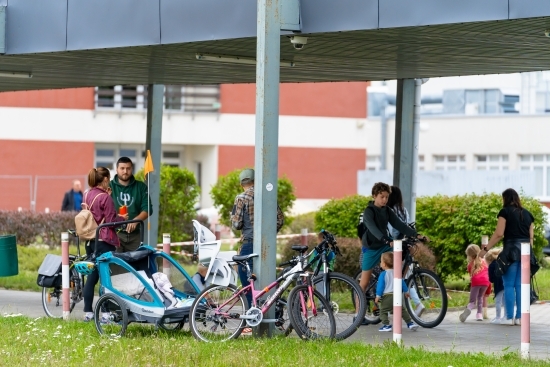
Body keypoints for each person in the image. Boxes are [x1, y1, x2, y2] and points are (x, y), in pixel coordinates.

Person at [358, 182, 426, 300]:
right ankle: (357, 315)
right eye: (382, 197)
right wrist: (386, 240)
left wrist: (417, 235)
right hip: (371, 248)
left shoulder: (387, 210)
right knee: (363, 284)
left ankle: (393, 287)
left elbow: (400, 225)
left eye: (386, 197)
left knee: (400, 258)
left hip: (385, 246)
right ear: (374, 196)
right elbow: (373, 229)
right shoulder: (369, 211)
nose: (384, 200)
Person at [230, 168, 284, 308]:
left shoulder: (241, 198)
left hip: (249, 245)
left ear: (242, 184)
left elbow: (236, 224)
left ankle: (251, 316)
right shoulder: (269, 197)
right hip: (267, 246)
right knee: (267, 281)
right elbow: (279, 220)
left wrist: (233, 216)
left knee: (248, 283)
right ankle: (269, 312)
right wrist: (269, 235)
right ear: (256, 181)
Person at [480, 188, 534, 326]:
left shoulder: (505, 212)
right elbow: (531, 238)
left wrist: (485, 250)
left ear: (505, 198)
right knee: (521, 285)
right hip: (526, 251)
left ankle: (509, 317)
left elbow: (499, 234)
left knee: (509, 285)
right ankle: (520, 317)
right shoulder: (528, 214)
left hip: (511, 251)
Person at [82, 167, 128, 322]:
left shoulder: (86, 194)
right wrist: (123, 219)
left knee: (92, 277)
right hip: (104, 242)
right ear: (106, 179)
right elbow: (111, 222)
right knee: (105, 279)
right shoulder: (105, 198)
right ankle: (106, 314)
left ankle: (88, 313)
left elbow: (95, 215)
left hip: (90, 241)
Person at [387, 185, 424, 317]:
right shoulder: (404, 210)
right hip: (405, 245)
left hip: (394, 246)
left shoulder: (389, 210)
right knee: (405, 277)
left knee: (393, 276)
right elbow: (408, 225)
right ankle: (417, 303)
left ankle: (391, 306)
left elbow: (391, 231)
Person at [109, 157, 152, 252]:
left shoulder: (141, 187)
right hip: (114, 234)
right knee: (115, 264)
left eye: (128, 168)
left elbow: (148, 208)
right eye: (122, 168)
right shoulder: (109, 187)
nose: (125, 171)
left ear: (132, 169)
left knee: (135, 265)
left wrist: (136, 220)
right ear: (116, 169)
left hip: (135, 236)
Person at [375, 252, 419, 332]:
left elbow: (380, 286)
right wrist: (406, 291)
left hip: (387, 296)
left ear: (384, 264)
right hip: (397, 295)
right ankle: (410, 323)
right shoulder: (397, 273)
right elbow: (402, 283)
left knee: (383, 311)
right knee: (402, 310)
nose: (380, 263)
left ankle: (386, 325)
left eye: (381, 262)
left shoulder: (383, 274)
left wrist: (378, 295)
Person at [459, 244, 490, 322]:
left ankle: (468, 308)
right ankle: (479, 315)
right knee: (480, 297)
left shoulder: (470, 265)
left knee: (472, 301)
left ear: (469, 255)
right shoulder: (484, 262)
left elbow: (471, 276)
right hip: (486, 282)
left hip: (476, 282)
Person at [485, 247, 505, 324]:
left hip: (498, 286)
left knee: (498, 302)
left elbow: (491, 279)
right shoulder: (501, 262)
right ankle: (506, 316)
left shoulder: (491, 265)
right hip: (505, 284)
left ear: (489, 260)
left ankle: (498, 317)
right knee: (504, 301)